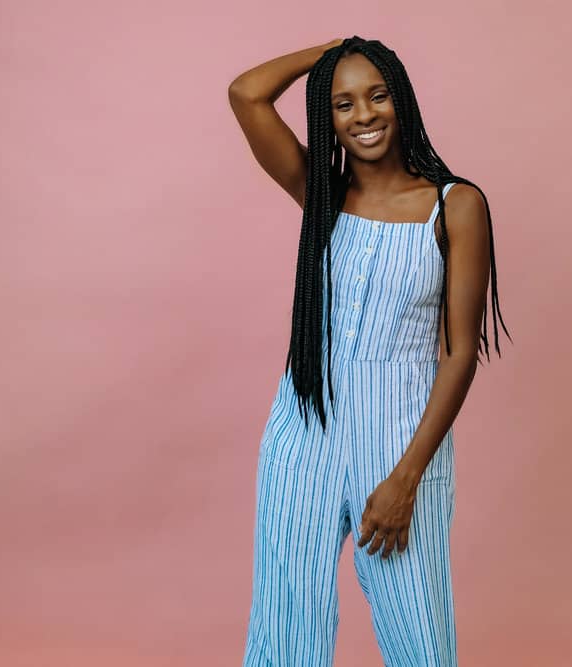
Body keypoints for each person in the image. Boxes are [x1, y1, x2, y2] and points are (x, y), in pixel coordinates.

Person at [227, 35, 511, 666]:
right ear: (326, 119)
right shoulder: (322, 197)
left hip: (402, 439)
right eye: (343, 103)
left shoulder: (455, 205)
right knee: (284, 624)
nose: (364, 115)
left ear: (401, 100)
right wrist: (335, 51)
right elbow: (247, 93)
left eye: (378, 95)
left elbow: (460, 353)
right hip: (304, 431)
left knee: (419, 632)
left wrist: (407, 477)